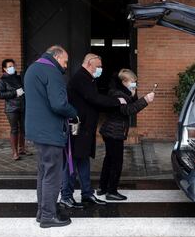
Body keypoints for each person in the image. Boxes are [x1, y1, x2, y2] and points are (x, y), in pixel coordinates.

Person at [60, 53, 126, 208]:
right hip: (77, 128)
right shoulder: (80, 78)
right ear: (89, 64)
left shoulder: (88, 78)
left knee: (83, 161)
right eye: (98, 67)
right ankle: (66, 196)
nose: (100, 70)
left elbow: (93, 99)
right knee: (72, 163)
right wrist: (117, 101)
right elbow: (94, 98)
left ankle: (87, 194)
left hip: (85, 128)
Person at [24, 45, 77, 228]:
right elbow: (59, 104)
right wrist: (74, 113)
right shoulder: (52, 71)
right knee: (53, 175)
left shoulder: (33, 68)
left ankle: (42, 212)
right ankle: (48, 216)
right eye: (65, 61)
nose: (65, 65)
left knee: (44, 173)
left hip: (37, 131)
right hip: (50, 131)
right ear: (56, 56)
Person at [98, 69, 154, 200]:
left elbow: (129, 102)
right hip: (114, 132)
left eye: (135, 82)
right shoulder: (118, 94)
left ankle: (103, 187)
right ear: (124, 81)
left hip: (111, 130)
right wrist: (145, 100)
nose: (134, 84)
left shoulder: (121, 92)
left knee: (109, 159)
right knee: (116, 162)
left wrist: (133, 94)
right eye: (132, 82)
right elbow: (127, 110)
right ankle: (111, 191)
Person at [0, 59, 32, 161]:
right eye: (10, 66)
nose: (12, 68)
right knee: (14, 129)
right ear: (4, 68)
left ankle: (22, 148)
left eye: (13, 65)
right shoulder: (2, 80)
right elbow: (0, 94)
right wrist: (15, 93)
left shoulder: (18, 77)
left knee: (23, 128)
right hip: (11, 109)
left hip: (22, 106)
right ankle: (15, 152)